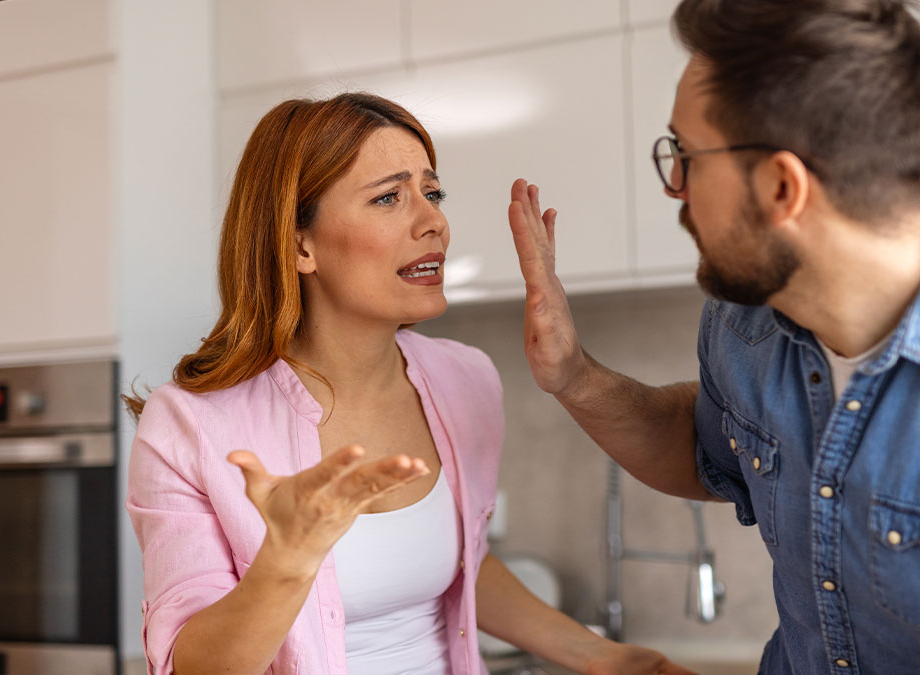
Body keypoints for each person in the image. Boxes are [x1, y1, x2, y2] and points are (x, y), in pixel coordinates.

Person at [504, 1, 920, 674]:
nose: (675, 186)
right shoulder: (748, 317)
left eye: (685, 154)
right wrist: (573, 374)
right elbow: (708, 447)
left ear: (780, 186)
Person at [126, 93, 691, 675]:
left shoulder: (463, 378)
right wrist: (287, 562)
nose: (434, 221)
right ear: (299, 244)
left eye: (433, 192)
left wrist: (610, 658)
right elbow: (186, 666)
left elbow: (461, 565)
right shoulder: (191, 425)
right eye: (389, 197)